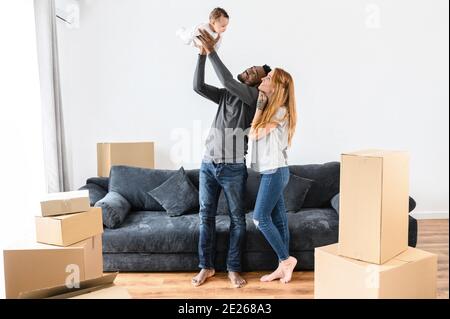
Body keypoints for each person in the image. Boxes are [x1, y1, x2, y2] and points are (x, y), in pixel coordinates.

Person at [191, 29, 271, 288]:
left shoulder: (254, 98)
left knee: (238, 220)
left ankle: (234, 269)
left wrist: (212, 49)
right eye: (249, 68)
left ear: (257, 83)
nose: (247, 71)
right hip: (208, 164)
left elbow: (226, 80)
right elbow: (198, 86)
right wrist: (202, 56)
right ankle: (207, 267)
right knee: (206, 217)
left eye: (253, 72)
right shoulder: (227, 95)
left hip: (233, 168)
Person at [249, 68, 298, 283]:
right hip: (274, 171)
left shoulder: (280, 111)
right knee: (278, 220)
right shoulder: (275, 109)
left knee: (259, 218)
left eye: (268, 78)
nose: (263, 78)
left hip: (276, 171)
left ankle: (287, 259)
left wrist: (259, 106)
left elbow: (254, 133)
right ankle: (282, 266)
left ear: (277, 86)